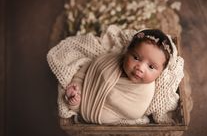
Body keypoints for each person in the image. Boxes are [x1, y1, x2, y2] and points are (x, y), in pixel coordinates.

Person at [47, 25, 184, 125]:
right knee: (72, 94)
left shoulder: (147, 90)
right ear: (127, 52)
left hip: (106, 114)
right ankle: (76, 103)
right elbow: (90, 68)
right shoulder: (112, 60)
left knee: (107, 118)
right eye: (136, 57)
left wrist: (112, 97)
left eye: (151, 67)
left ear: (160, 72)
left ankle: (79, 106)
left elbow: (135, 112)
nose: (140, 67)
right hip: (87, 96)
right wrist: (76, 87)